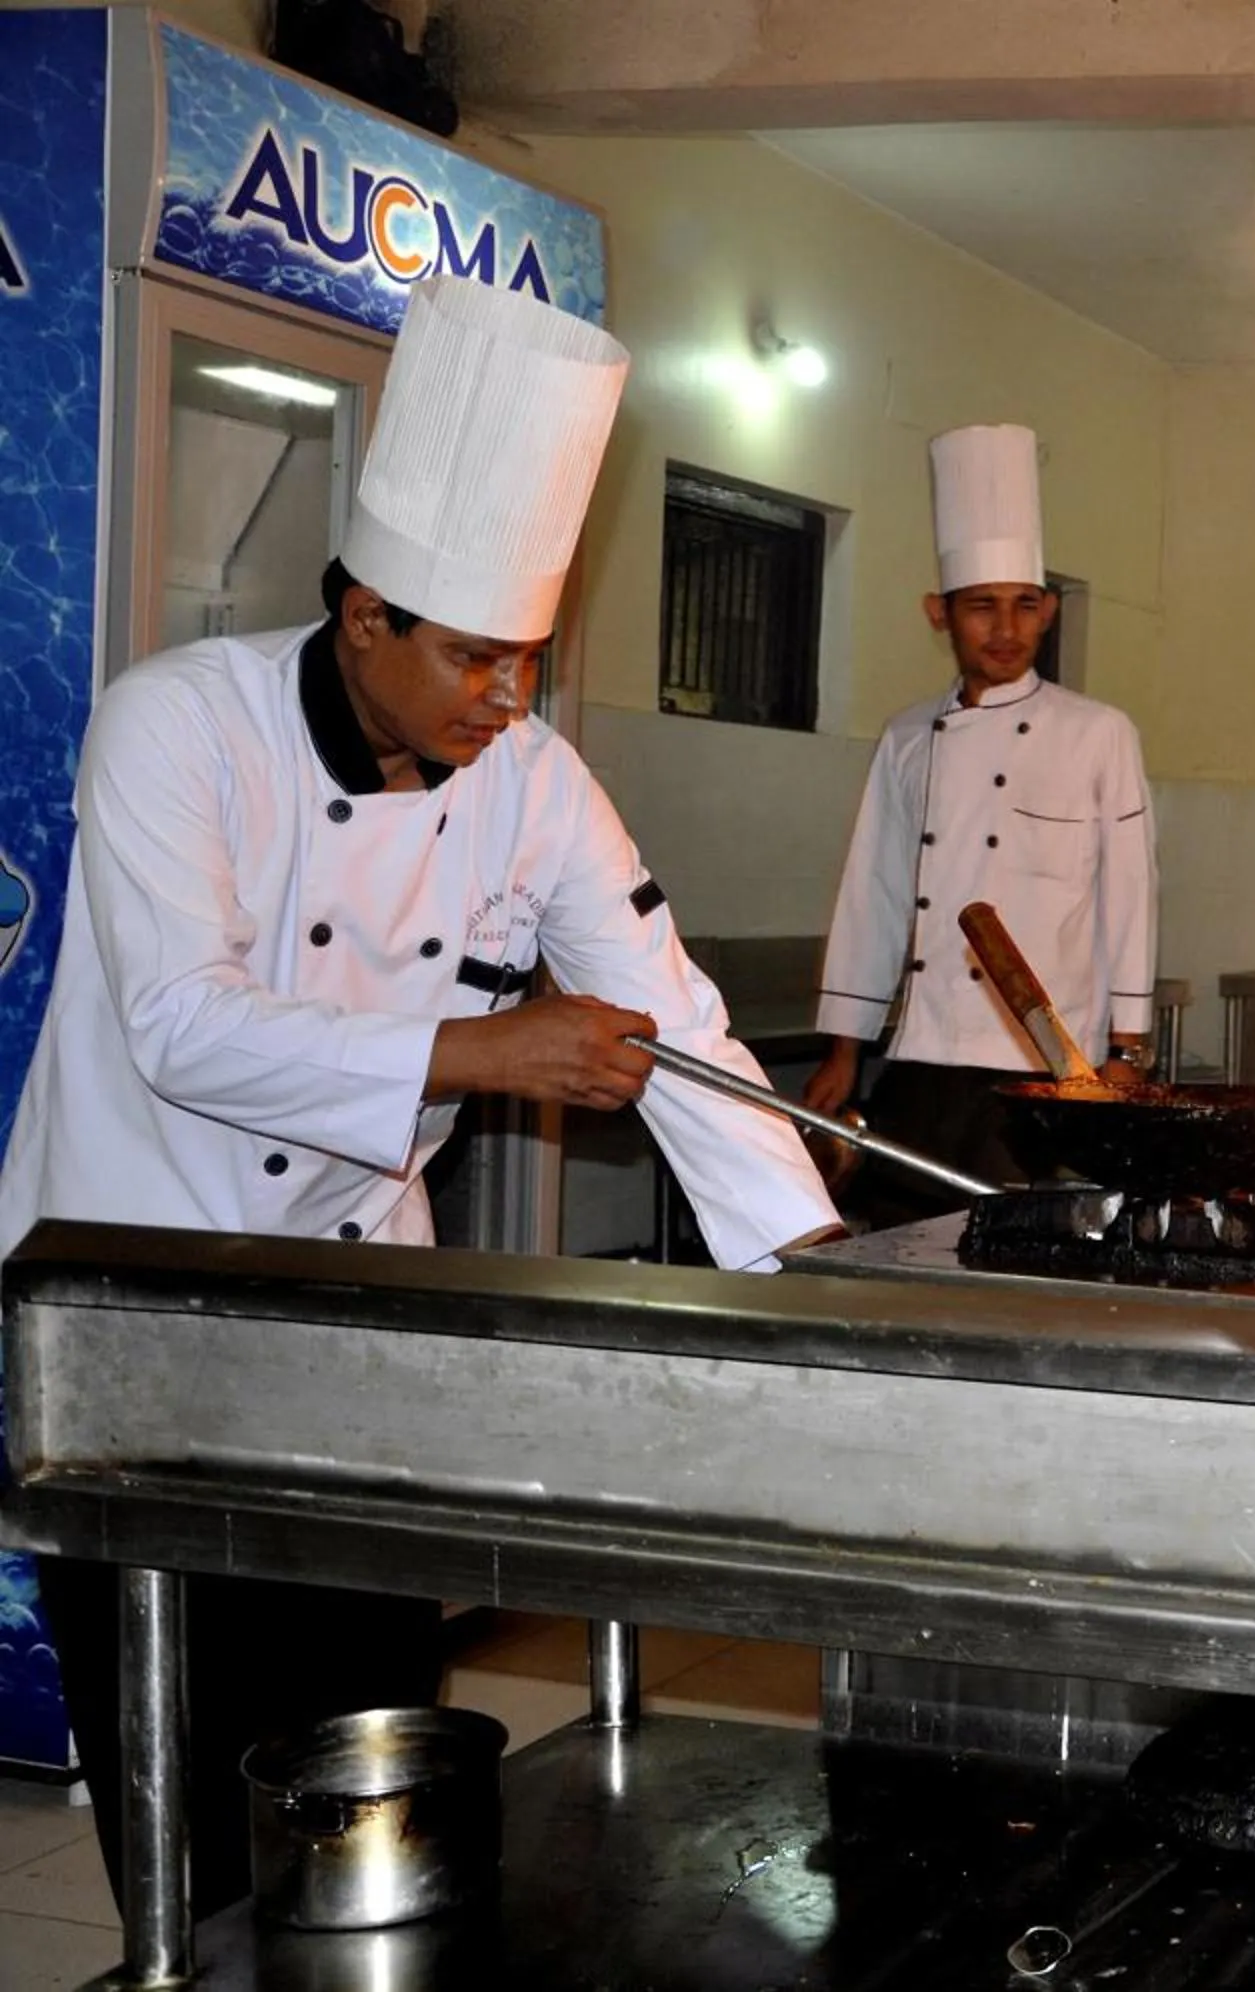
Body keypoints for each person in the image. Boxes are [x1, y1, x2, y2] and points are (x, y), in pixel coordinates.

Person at [0, 276, 843, 1917]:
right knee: (181, 1771)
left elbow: (674, 1021)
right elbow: (185, 1027)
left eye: (526, 657)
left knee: (375, 1761)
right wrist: (486, 1048)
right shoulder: (177, 725)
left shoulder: (527, 779)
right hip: (133, 1299)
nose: (508, 695)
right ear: (363, 613)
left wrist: (811, 1283)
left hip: (351, 1316)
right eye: (473, 654)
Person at [803, 424, 1157, 1219]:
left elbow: (1130, 895)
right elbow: (876, 892)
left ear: (1050, 611)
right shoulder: (905, 739)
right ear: (940, 613)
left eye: (1025, 607)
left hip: (1046, 1061)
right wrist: (845, 1047)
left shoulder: (1098, 732)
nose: (1006, 630)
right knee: (897, 1235)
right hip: (924, 1051)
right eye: (982, 608)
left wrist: (1128, 1047)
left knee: (1022, 1245)